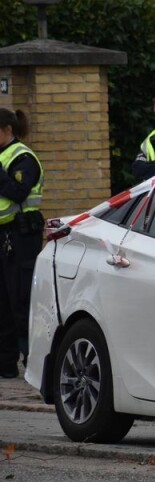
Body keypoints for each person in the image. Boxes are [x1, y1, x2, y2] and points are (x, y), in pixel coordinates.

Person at [0, 109, 44, 379]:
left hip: (21, 237)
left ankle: (33, 362)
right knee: (2, 302)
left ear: (6, 129)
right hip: (3, 236)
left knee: (21, 301)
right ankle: (5, 364)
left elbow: (17, 192)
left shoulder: (23, 158)